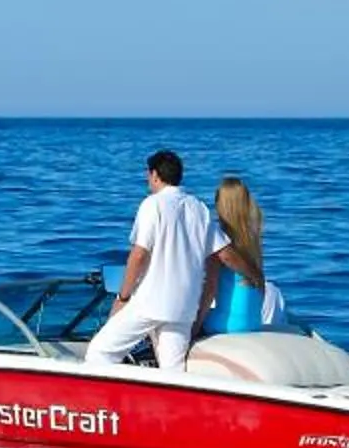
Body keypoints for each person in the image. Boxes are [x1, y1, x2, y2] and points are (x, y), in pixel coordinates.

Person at [85, 148, 248, 372]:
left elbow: (139, 255)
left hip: (150, 303)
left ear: (154, 175)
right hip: (184, 307)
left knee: (99, 353)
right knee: (172, 369)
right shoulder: (198, 208)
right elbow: (226, 254)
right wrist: (254, 274)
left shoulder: (152, 204)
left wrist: (123, 296)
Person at [201, 175, 287, 334]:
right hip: (254, 323)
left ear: (221, 205)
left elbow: (210, 289)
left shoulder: (219, 242)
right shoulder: (252, 238)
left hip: (228, 325)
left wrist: (195, 326)